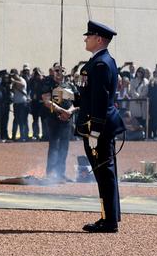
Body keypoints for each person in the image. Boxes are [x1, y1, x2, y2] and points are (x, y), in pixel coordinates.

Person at [72, 20, 125, 233]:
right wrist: (72, 98)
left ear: (99, 39)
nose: (86, 39)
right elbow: (91, 96)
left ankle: (108, 220)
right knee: (105, 172)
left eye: (89, 36)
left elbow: (101, 101)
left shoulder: (101, 64)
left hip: (98, 128)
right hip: (97, 125)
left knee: (104, 173)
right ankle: (110, 217)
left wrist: (95, 131)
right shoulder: (100, 61)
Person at [42, 65, 74, 181]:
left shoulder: (69, 86)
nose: (59, 72)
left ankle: (61, 173)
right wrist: (62, 111)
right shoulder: (48, 84)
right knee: (54, 146)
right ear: (53, 72)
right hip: (53, 119)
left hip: (67, 120)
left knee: (64, 147)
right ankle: (51, 173)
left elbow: (77, 101)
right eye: (57, 70)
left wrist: (69, 112)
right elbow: (47, 101)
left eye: (62, 70)